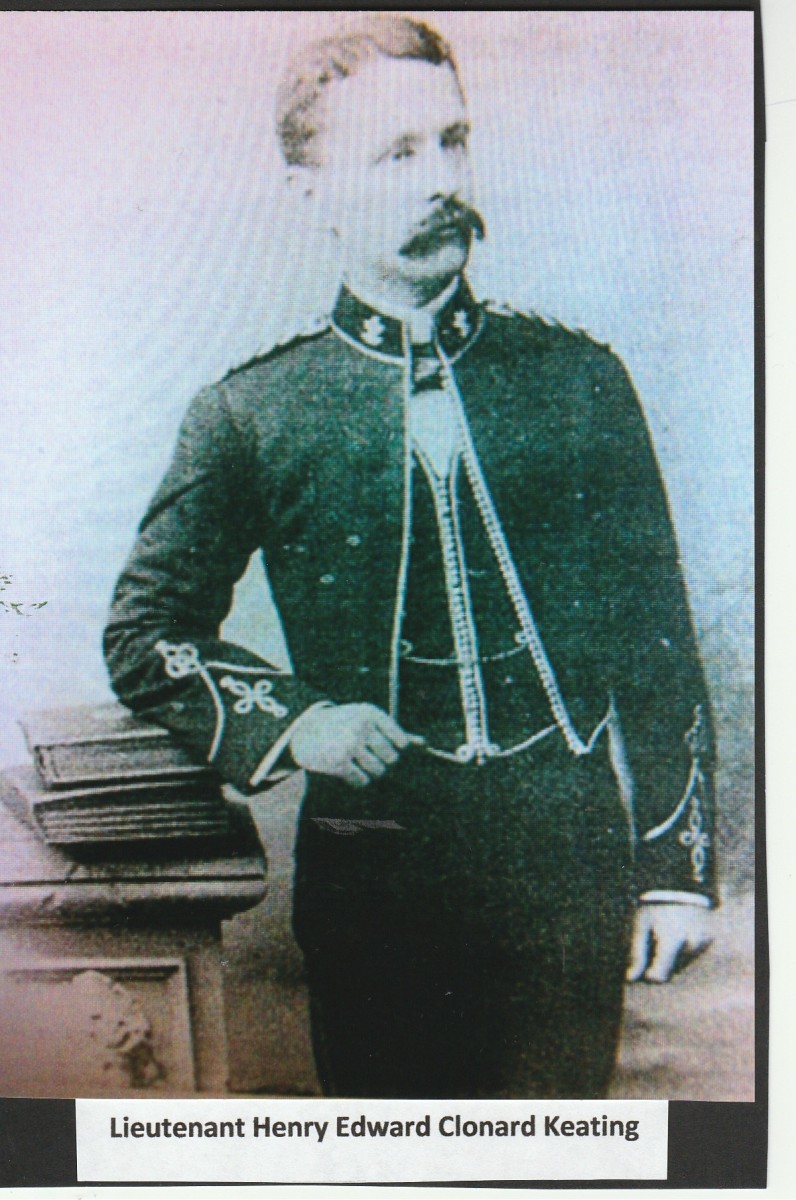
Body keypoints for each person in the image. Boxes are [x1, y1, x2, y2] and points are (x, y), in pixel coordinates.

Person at [104, 14, 715, 1099]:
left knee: (555, 1160)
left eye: (452, 141)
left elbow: (654, 638)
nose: (440, 180)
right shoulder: (256, 411)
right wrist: (299, 720)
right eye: (395, 154)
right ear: (312, 194)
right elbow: (145, 635)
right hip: (374, 881)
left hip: (565, 871)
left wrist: (676, 873)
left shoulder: (577, 380)